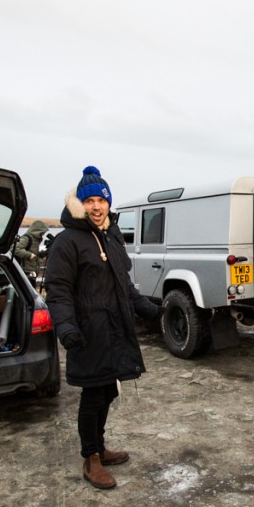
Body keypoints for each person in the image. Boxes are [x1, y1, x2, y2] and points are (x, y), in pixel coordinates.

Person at [44, 166, 160, 490]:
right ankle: (90, 458)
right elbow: (58, 290)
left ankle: (100, 447)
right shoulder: (67, 242)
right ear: (79, 204)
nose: (96, 206)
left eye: (102, 200)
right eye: (90, 200)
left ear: (109, 203)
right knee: (93, 395)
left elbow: (125, 285)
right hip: (87, 334)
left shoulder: (111, 236)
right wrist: (66, 328)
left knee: (108, 391)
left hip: (115, 331)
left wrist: (151, 311)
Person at [14, 220, 49, 290]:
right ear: (37, 231)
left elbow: (33, 253)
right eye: (42, 233)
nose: (43, 234)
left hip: (32, 273)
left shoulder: (36, 240)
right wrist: (29, 255)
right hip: (26, 272)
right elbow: (14, 248)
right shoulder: (27, 238)